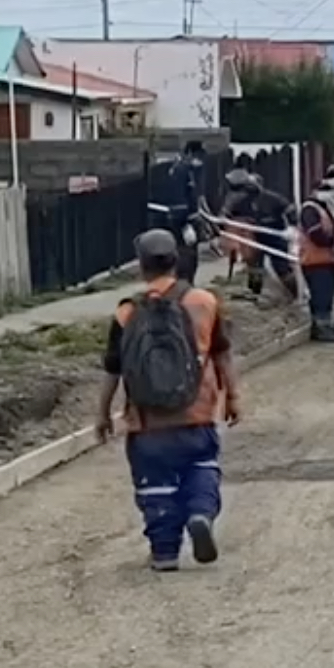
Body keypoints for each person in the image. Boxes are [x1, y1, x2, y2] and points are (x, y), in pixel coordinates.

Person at [96, 228, 237, 571]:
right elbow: (222, 355)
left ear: (141, 267)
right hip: (197, 415)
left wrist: (102, 414)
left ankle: (164, 553)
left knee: (155, 487)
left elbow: (113, 369)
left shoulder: (126, 313)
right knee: (201, 469)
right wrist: (232, 396)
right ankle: (200, 515)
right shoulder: (205, 303)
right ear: (177, 261)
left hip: (147, 423)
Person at [295, 191, 334, 340]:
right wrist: (333, 242)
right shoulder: (310, 210)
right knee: (322, 296)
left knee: (324, 295)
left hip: (322, 259)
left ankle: (320, 327)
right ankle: (323, 330)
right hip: (316, 260)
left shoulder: (319, 209)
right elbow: (315, 234)